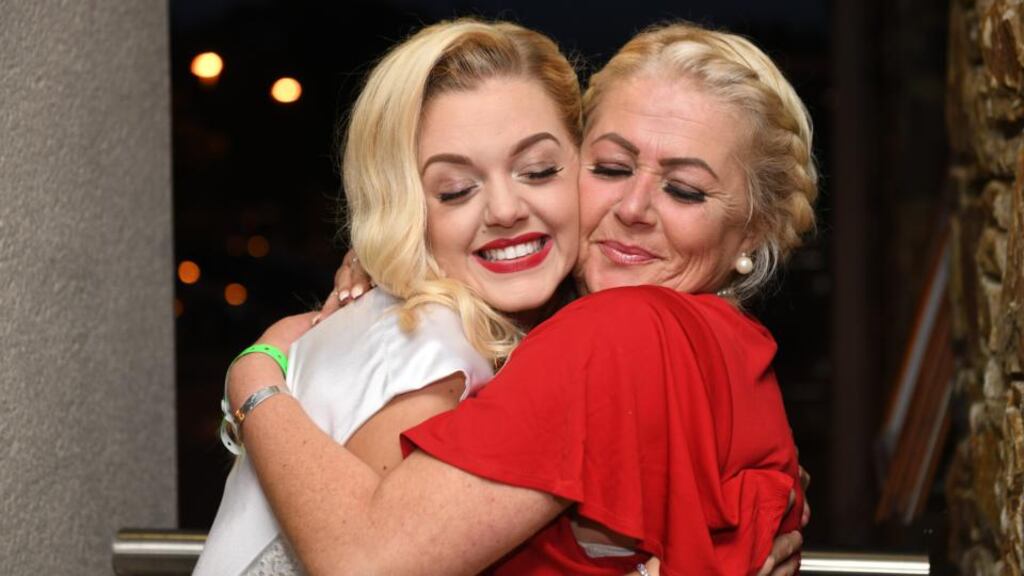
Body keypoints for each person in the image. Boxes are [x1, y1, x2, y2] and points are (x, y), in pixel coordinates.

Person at [225, 20, 816, 576]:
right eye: (610, 168)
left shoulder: (618, 330)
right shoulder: (733, 355)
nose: (632, 209)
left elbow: (366, 562)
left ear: (756, 230)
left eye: (685, 190)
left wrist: (254, 378)